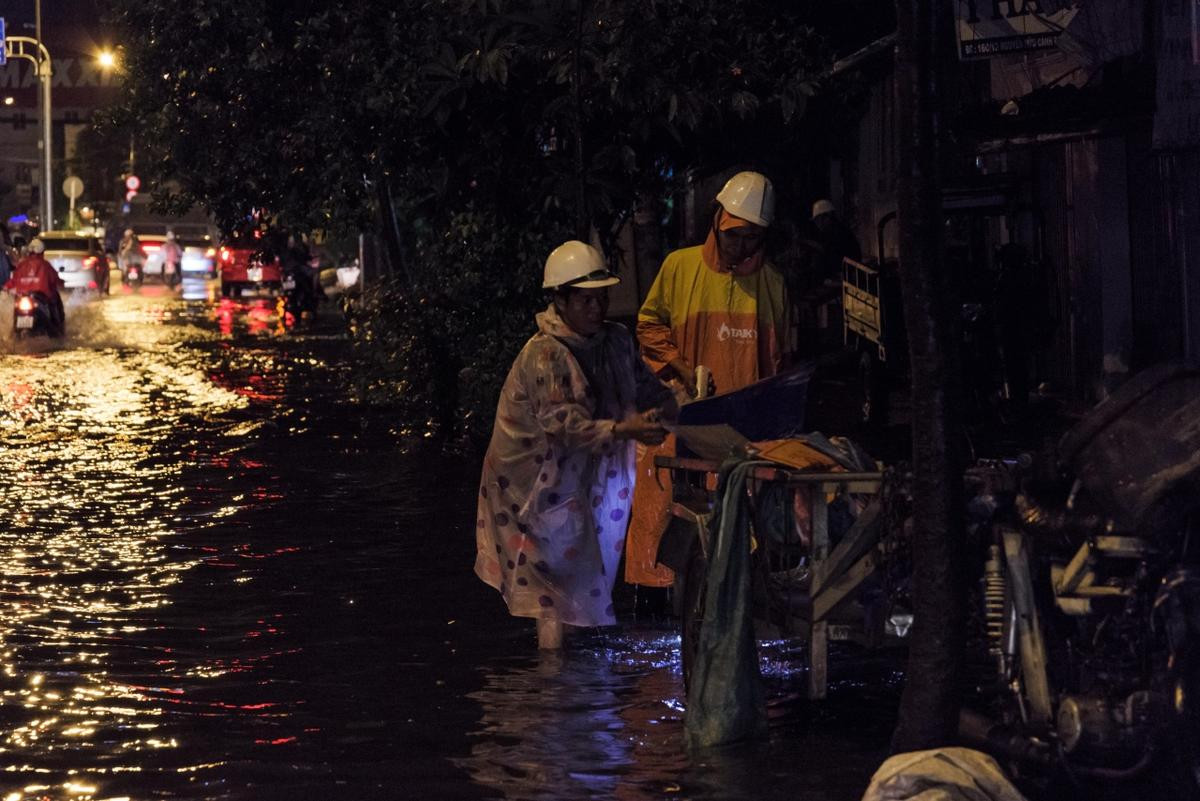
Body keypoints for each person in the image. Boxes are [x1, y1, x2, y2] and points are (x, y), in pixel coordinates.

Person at [474, 240, 676, 650]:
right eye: (585, 301)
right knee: (551, 588)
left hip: (586, 476)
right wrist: (627, 430)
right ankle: (555, 681)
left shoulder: (615, 341)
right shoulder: (544, 355)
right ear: (560, 300)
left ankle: (572, 673)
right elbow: (565, 425)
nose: (596, 309)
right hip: (534, 487)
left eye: (601, 298)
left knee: (585, 571)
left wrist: (684, 407)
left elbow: (647, 388)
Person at [625, 170, 793, 589]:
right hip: (681, 415)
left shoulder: (772, 285)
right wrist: (682, 368)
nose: (740, 245)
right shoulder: (679, 268)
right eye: (734, 234)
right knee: (661, 510)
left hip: (744, 428)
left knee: (741, 522)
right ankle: (654, 598)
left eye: (751, 237)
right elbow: (648, 326)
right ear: (716, 219)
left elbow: (779, 365)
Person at [5, 238, 66, 336]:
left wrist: (6, 287)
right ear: (42, 252)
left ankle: (14, 334)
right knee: (55, 303)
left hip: (23, 298)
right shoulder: (45, 265)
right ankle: (59, 332)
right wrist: (61, 283)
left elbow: (13, 281)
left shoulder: (22, 265)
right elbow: (55, 280)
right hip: (39, 299)